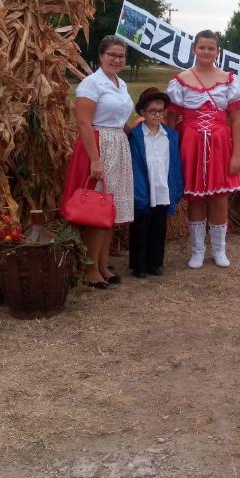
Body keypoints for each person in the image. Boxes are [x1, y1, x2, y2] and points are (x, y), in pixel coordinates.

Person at [61, 35, 135, 289]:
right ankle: (90, 269)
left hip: (118, 145)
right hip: (98, 145)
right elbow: (83, 123)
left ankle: (103, 265)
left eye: (121, 56)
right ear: (101, 56)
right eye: (112, 55)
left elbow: (121, 119)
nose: (117, 59)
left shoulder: (121, 84)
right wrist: (95, 160)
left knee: (109, 209)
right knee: (96, 208)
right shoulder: (91, 84)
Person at [166, 30, 240, 268]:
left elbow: (237, 121)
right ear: (194, 49)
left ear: (217, 51)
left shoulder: (228, 80)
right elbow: (171, 121)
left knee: (219, 198)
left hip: (220, 145)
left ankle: (219, 250)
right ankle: (197, 251)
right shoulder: (181, 80)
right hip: (191, 144)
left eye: (211, 48)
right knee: (196, 199)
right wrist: (172, 153)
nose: (206, 52)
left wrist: (236, 155)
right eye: (202, 47)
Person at [126, 87, 184, 278]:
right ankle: (139, 265)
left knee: (159, 226)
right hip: (144, 187)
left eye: (161, 111)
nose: (157, 115)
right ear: (143, 112)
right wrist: (138, 190)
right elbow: (135, 164)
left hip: (162, 188)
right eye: (152, 111)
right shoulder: (136, 136)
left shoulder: (170, 136)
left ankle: (155, 263)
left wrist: (176, 187)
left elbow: (174, 163)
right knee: (141, 227)